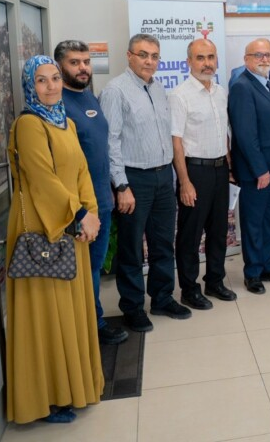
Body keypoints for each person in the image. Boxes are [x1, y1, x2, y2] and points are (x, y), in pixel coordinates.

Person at [5, 55, 103, 424]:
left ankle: (74, 386)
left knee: (70, 310)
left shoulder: (65, 122)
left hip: (72, 227)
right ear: (30, 86)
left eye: (55, 79)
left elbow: (81, 172)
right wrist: (78, 215)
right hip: (42, 230)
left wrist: (90, 213)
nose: (50, 86)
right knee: (46, 315)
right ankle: (47, 399)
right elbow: (42, 178)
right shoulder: (28, 125)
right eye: (41, 80)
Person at [100, 34, 190, 332]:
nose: (149, 61)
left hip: (163, 176)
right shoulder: (115, 91)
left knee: (163, 243)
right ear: (129, 56)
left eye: (154, 56)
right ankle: (133, 307)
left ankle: (162, 299)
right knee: (132, 248)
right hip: (134, 179)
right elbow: (110, 142)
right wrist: (121, 186)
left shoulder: (159, 88)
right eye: (143, 55)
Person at [54, 39, 128, 346]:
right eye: (74, 62)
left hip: (102, 201)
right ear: (60, 66)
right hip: (79, 209)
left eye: (86, 61)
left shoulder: (89, 97)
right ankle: (87, 328)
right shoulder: (57, 105)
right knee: (81, 270)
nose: (83, 68)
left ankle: (93, 322)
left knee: (93, 267)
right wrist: (81, 210)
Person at [169, 39, 236, 310]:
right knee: (191, 234)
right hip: (194, 171)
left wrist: (229, 165)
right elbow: (176, 142)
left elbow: (224, 133)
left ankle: (215, 281)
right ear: (189, 62)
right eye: (200, 58)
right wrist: (184, 182)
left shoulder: (221, 92)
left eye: (211, 57)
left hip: (220, 170)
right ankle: (189, 289)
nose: (207, 63)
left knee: (218, 231)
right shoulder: (180, 95)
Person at [229, 38, 270, 294]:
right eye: (258, 55)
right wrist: (260, 169)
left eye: (268, 54)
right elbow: (245, 135)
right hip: (258, 172)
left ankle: (269, 266)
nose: (265, 59)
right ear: (246, 59)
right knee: (254, 224)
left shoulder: (269, 84)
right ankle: (253, 273)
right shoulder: (242, 87)